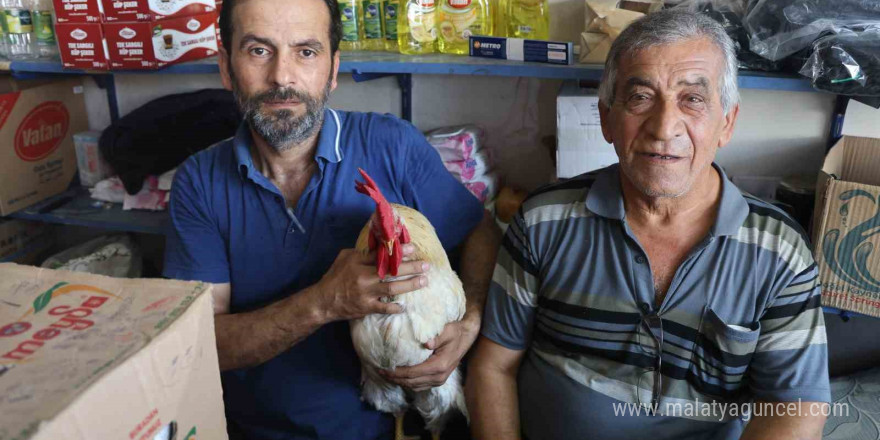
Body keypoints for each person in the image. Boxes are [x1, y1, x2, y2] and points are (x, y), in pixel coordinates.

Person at [466, 9, 829, 440]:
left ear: (726, 122)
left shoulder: (778, 250)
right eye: (640, 97)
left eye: (692, 99)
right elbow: (494, 365)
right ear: (606, 118)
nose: (663, 127)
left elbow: (795, 407)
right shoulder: (542, 221)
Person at [162, 0, 499, 437]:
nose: (283, 76)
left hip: (388, 428)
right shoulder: (198, 183)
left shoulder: (392, 146)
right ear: (226, 66)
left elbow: (480, 231)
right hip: (250, 431)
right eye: (259, 50)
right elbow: (198, 345)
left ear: (333, 69)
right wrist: (323, 303)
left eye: (306, 51)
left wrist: (470, 320)